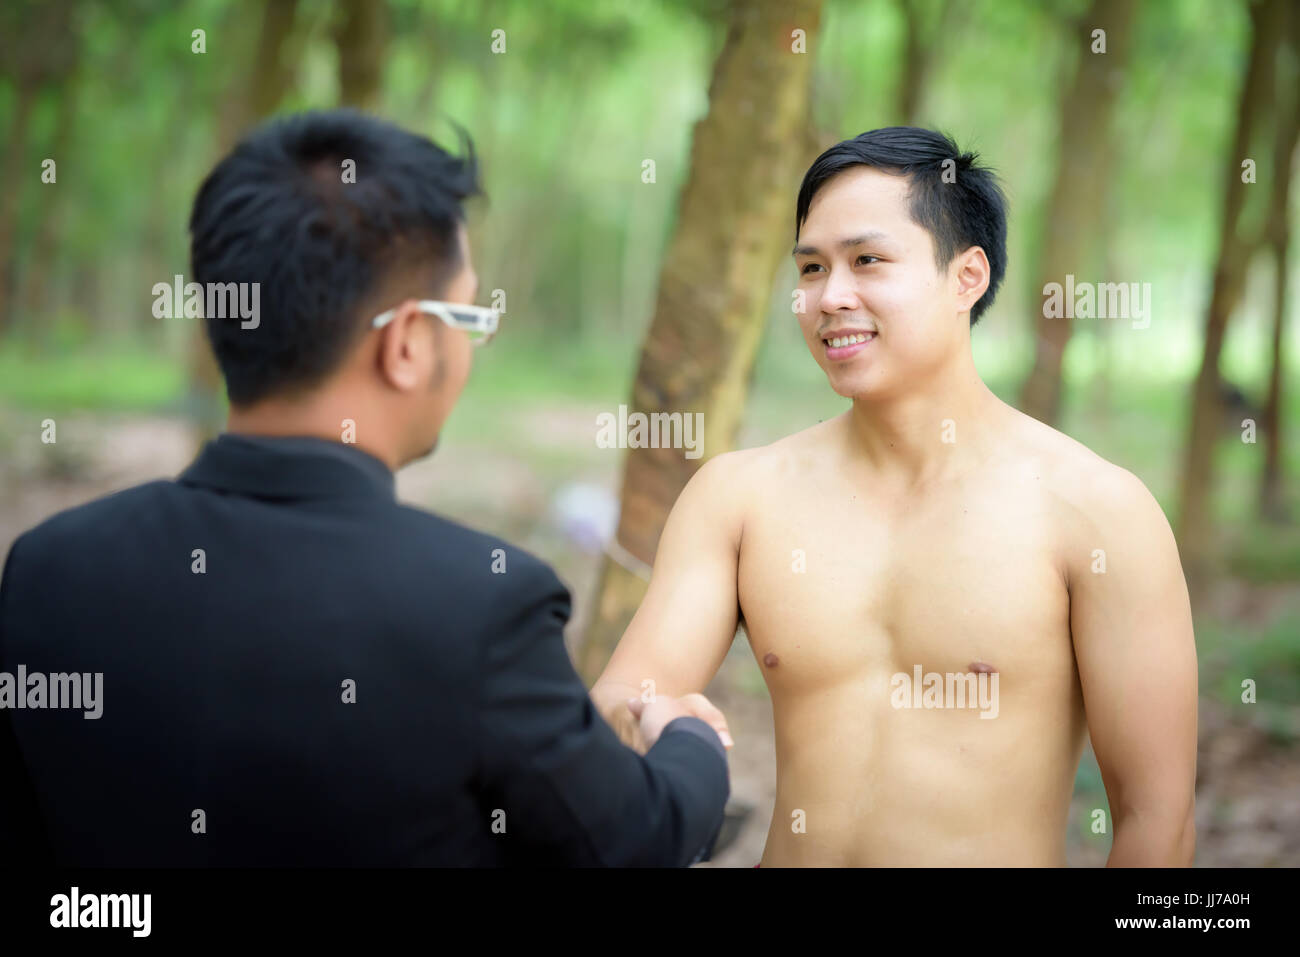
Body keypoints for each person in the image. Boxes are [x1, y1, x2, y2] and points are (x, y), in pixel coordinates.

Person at [0, 110, 730, 867]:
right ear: (408, 342)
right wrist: (690, 740)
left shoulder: (49, 571)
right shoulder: (480, 608)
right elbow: (637, 839)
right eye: (469, 315)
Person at [591, 127, 1198, 867]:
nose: (830, 297)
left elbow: (1154, 821)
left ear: (966, 277)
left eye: (867, 261)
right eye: (811, 269)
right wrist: (652, 716)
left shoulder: (1095, 512)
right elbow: (620, 701)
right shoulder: (740, 496)